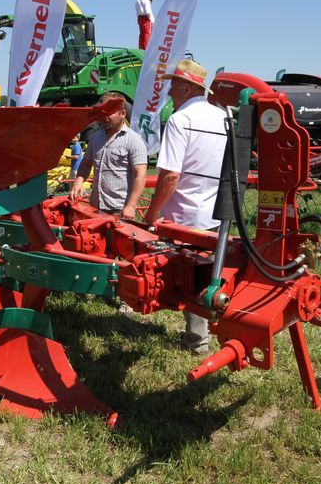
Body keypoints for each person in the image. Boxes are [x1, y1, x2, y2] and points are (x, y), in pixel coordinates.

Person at [144, 59, 227, 354]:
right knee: (211, 273)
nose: (168, 91)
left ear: (189, 87)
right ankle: (215, 329)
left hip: (183, 215)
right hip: (216, 211)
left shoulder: (181, 120)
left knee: (189, 277)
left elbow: (170, 174)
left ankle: (197, 342)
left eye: (173, 84)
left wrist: (152, 213)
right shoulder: (222, 118)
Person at [69, 92, 147, 220]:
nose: (105, 117)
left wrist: (131, 206)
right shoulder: (96, 138)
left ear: (123, 114)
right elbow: (86, 163)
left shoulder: (133, 141)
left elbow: (140, 175)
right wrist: (79, 181)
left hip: (119, 211)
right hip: (95, 207)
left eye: (110, 112)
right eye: (103, 112)